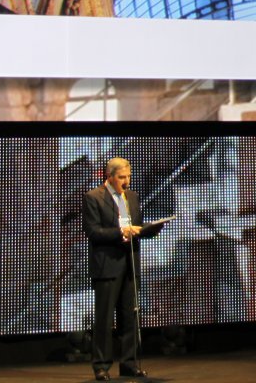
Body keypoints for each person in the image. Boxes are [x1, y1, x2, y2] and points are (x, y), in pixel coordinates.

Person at [83, 157, 165, 380]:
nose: (126, 181)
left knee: (130, 316)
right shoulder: (94, 197)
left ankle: (129, 363)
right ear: (109, 177)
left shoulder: (132, 196)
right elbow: (93, 232)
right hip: (107, 266)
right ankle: (101, 366)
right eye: (121, 177)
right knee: (104, 319)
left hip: (130, 262)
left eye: (128, 176)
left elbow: (136, 226)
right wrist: (121, 232)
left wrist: (150, 229)